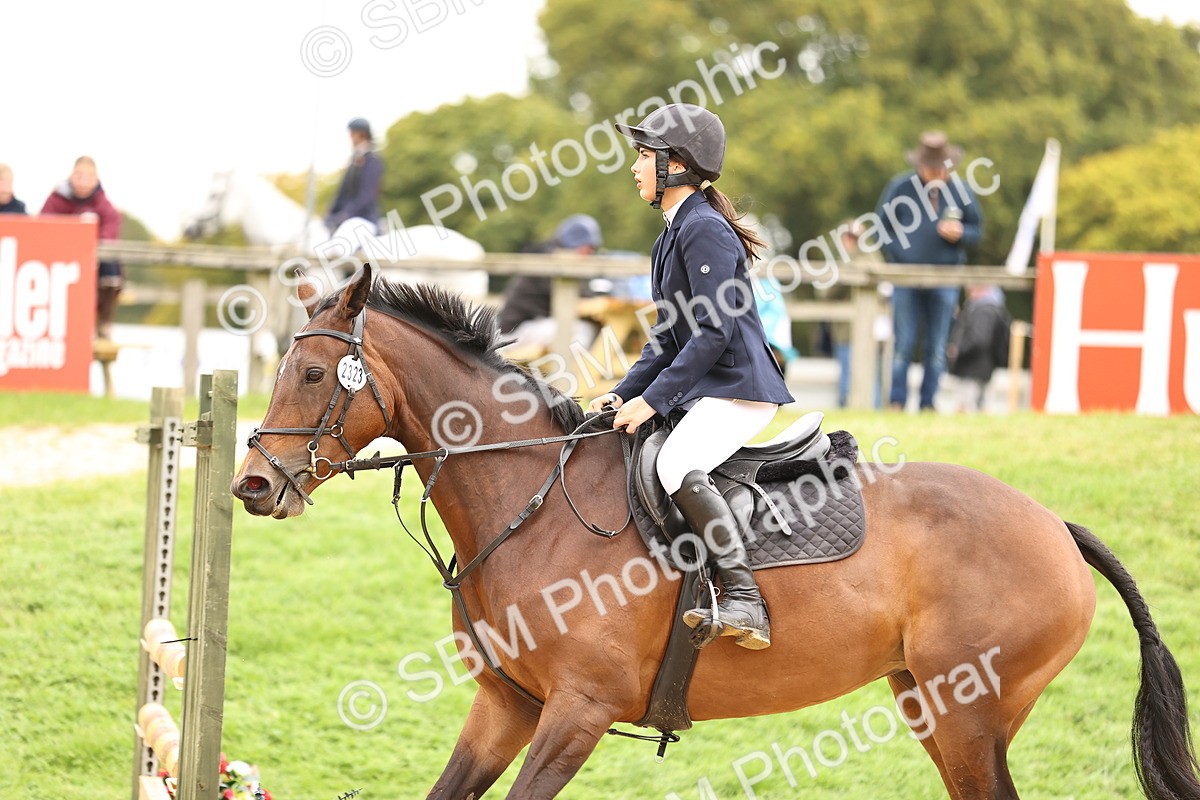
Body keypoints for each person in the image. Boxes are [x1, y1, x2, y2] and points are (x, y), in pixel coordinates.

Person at [586, 103, 793, 651]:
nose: (634, 167)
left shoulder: (704, 230)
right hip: (711, 384)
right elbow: (667, 337)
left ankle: (745, 599)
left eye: (643, 155)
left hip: (739, 388)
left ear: (675, 163)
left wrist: (653, 402)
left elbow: (711, 334)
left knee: (678, 461)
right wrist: (622, 392)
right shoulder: (671, 234)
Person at [876, 131, 984, 411]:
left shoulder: (962, 191)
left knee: (937, 348)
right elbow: (881, 228)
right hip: (906, 279)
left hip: (946, 279)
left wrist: (961, 233)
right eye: (931, 169)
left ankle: (928, 403)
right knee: (903, 345)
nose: (936, 174)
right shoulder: (900, 187)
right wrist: (900, 256)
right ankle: (897, 401)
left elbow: (977, 230)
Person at [41, 156, 123, 338]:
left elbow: (111, 228)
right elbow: (44, 228)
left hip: (92, 260)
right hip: (61, 259)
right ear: (72, 176)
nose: (84, 183)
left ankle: (103, 322)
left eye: (89, 177)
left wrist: (93, 250)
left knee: (111, 267)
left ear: (96, 179)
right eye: (79, 176)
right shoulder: (56, 200)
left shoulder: (103, 203)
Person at [497, 214, 602, 351]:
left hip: (528, 326)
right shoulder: (551, 261)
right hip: (514, 332)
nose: (590, 254)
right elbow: (580, 297)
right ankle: (569, 372)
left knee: (583, 327)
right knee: (581, 330)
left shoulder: (552, 256)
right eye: (589, 248)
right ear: (577, 244)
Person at [947, 285, 1011, 413]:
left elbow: (980, 339)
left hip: (973, 366)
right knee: (981, 405)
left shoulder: (983, 310)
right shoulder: (994, 308)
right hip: (985, 366)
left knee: (966, 407)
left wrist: (959, 349)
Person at [325, 117, 384, 241]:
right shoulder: (353, 161)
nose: (350, 137)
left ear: (362, 134)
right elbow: (342, 192)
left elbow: (366, 195)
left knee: (340, 246)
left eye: (352, 134)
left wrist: (346, 214)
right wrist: (331, 213)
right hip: (346, 219)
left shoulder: (372, 161)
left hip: (363, 219)